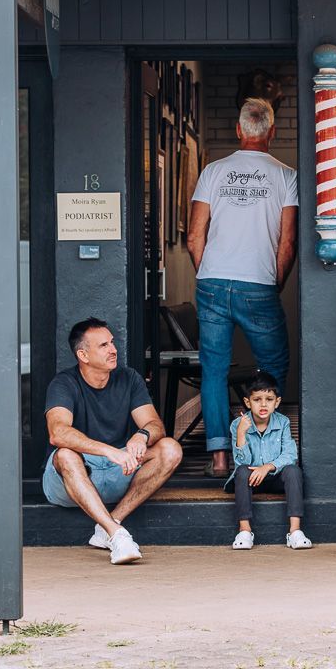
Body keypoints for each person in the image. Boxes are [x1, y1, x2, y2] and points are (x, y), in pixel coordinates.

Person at [187, 97, 298, 477]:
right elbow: (287, 243)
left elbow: (193, 237)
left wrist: (210, 274)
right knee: (274, 365)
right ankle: (268, 452)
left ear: (238, 130)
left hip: (212, 282)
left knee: (213, 371)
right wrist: (275, 283)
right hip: (259, 285)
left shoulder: (213, 171)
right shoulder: (286, 176)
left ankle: (219, 458)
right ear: (272, 131)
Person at [43, 318, 183, 565]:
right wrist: (109, 451)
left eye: (112, 342)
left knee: (170, 449)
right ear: (83, 355)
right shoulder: (63, 383)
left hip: (119, 470)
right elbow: (58, 433)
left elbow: (155, 425)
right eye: (104, 345)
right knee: (64, 454)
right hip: (74, 479)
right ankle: (117, 535)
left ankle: (108, 525)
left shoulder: (128, 378)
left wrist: (142, 435)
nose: (113, 349)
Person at [226, 372, 311, 550]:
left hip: (275, 477)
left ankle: (295, 531)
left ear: (277, 402)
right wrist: (241, 434)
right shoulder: (237, 425)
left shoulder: (283, 422)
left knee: (293, 471)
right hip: (251, 480)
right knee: (241, 472)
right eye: (257, 399)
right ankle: (244, 531)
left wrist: (267, 467)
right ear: (248, 402)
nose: (263, 404)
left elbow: (290, 454)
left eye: (269, 399)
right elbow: (242, 462)